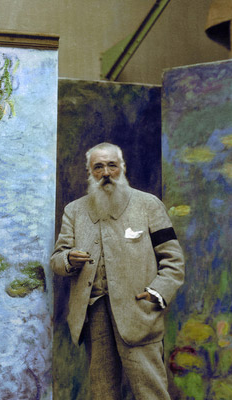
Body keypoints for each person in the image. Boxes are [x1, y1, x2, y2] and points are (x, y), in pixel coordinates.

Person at [50, 142, 185, 400]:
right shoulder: (74, 210)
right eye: (98, 167)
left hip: (138, 313)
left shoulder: (148, 204)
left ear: (122, 168)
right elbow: (57, 259)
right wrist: (68, 258)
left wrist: (156, 293)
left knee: (150, 391)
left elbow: (173, 259)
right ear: (90, 172)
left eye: (112, 165)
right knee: (102, 392)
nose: (106, 173)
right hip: (94, 315)